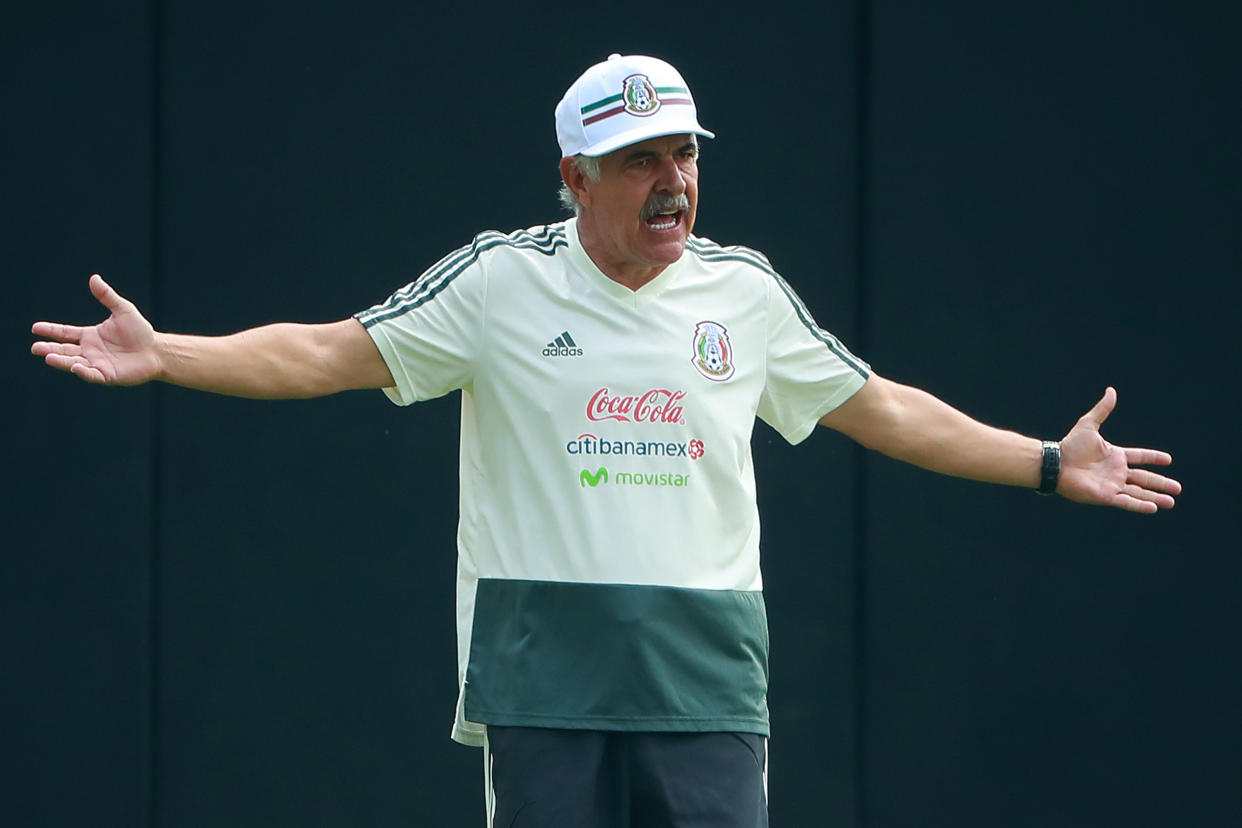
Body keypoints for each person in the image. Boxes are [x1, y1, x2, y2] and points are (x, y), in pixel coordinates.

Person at [31, 53, 1180, 828]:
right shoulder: (498, 282)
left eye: (684, 153)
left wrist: (1044, 459)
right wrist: (166, 350)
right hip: (545, 667)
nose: (673, 180)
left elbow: (879, 405)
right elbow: (328, 352)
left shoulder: (746, 293)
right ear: (574, 177)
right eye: (641, 160)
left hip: (706, 674)